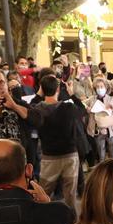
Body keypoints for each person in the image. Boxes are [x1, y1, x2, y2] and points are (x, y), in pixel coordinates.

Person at [31, 74, 85, 211]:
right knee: (70, 195)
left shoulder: (38, 110)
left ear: (41, 89)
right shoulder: (69, 108)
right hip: (70, 155)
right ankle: (71, 222)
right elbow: (83, 110)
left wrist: (39, 94)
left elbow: (28, 109)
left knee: (43, 192)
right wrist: (72, 94)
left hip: (49, 156)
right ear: (58, 90)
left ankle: (41, 221)